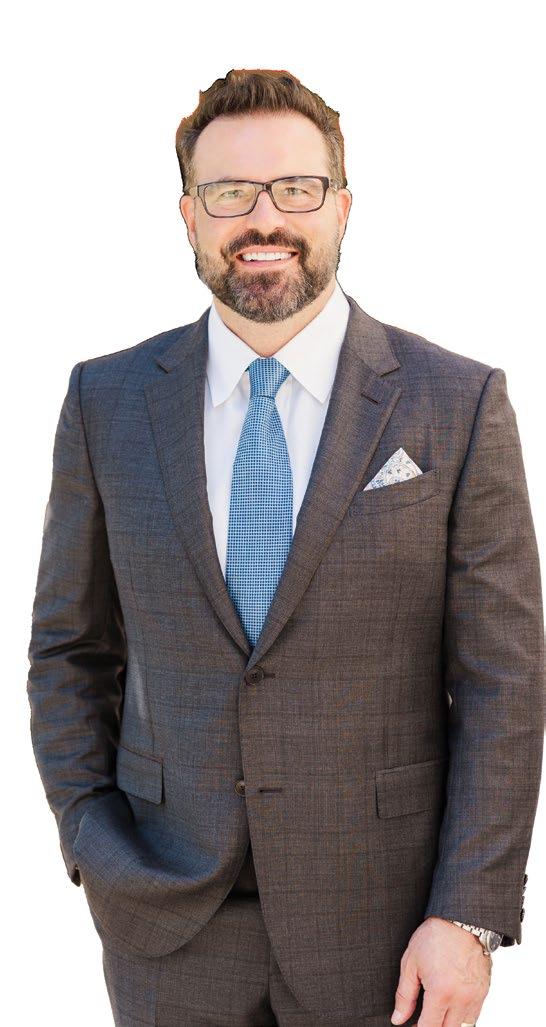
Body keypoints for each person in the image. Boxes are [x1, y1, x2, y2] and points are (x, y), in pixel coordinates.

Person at [27, 67, 545, 1027]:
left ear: (341, 205)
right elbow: (70, 650)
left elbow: (502, 683)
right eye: (230, 192)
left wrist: (468, 914)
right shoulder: (106, 402)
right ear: (190, 215)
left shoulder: (458, 402)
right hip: (165, 930)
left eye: (296, 188)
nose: (264, 218)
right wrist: (90, 839)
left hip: (386, 932)